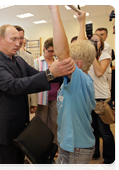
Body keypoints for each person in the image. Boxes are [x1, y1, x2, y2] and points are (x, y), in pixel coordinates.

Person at [0, 24, 75, 170]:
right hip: (5, 128)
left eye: (19, 39)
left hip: (21, 125)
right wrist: (50, 73)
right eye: (13, 39)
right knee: (9, 166)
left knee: (19, 163)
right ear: (0, 40)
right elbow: (14, 86)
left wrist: (66, 74)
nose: (18, 43)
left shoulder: (18, 60)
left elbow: (37, 76)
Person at [48, 5, 97, 170]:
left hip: (77, 147)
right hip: (69, 143)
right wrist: (81, 22)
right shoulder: (80, 80)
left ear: (76, 65)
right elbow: (83, 50)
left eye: (69, 61)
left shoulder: (80, 80)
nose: (61, 62)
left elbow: (63, 53)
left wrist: (55, 9)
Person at [89, 32, 117, 170]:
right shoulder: (89, 57)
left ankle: (110, 160)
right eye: (92, 40)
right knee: (93, 129)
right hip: (90, 98)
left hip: (102, 99)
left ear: (102, 43)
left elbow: (99, 72)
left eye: (96, 41)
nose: (94, 42)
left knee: (105, 131)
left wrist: (93, 55)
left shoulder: (105, 55)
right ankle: (95, 153)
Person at [34, 37, 63, 146]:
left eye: (54, 51)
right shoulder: (37, 62)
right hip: (42, 97)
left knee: (54, 122)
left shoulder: (57, 61)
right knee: (41, 122)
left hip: (56, 97)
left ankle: (53, 145)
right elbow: (35, 79)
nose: (52, 53)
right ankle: (41, 145)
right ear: (44, 49)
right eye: (50, 51)